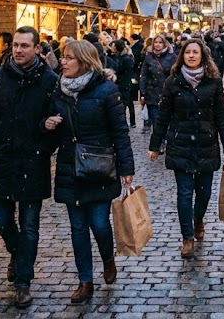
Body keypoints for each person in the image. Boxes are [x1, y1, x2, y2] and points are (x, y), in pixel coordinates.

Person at [0, 26, 59, 308]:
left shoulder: (49, 81)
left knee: (30, 225)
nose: (18, 50)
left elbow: (58, 126)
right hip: (2, 160)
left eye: (24, 45)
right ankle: (18, 254)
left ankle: (23, 282)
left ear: (36, 49)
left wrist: (44, 139)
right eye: (16, 45)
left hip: (33, 162)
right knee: (2, 219)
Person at [46, 40, 135, 304]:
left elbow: (120, 131)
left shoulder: (106, 90)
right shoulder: (58, 90)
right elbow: (48, 121)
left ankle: (107, 258)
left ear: (84, 61)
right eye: (63, 57)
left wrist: (126, 168)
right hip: (69, 167)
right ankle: (85, 280)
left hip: (98, 166)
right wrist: (47, 123)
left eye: (69, 58)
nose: (63, 62)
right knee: (77, 228)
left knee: (98, 222)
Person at [148, 38, 224, 259]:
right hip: (181, 144)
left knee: (204, 193)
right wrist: (155, 145)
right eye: (188, 53)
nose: (192, 56)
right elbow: (164, 115)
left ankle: (198, 219)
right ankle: (187, 237)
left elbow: (222, 117)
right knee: (184, 194)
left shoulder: (213, 82)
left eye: (195, 52)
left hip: (206, 144)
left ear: (203, 56)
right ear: (182, 56)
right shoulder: (173, 81)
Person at [138, 34, 176, 137]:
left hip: (167, 93)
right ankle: (160, 142)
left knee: (166, 119)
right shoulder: (149, 57)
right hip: (152, 93)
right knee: (155, 120)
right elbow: (144, 75)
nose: (158, 45)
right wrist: (143, 93)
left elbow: (175, 74)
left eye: (160, 42)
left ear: (164, 44)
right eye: (156, 42)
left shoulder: (172, 57)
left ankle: (167, 139)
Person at [110, 39, 137, 128]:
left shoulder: (125, 58)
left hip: (124, 84)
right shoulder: (122, 57)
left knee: (126, 104)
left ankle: (127, 122)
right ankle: (131, 122)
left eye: (114, 46)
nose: (112, 48)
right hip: (124, 83)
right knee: (128, 103)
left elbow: (122, 71)